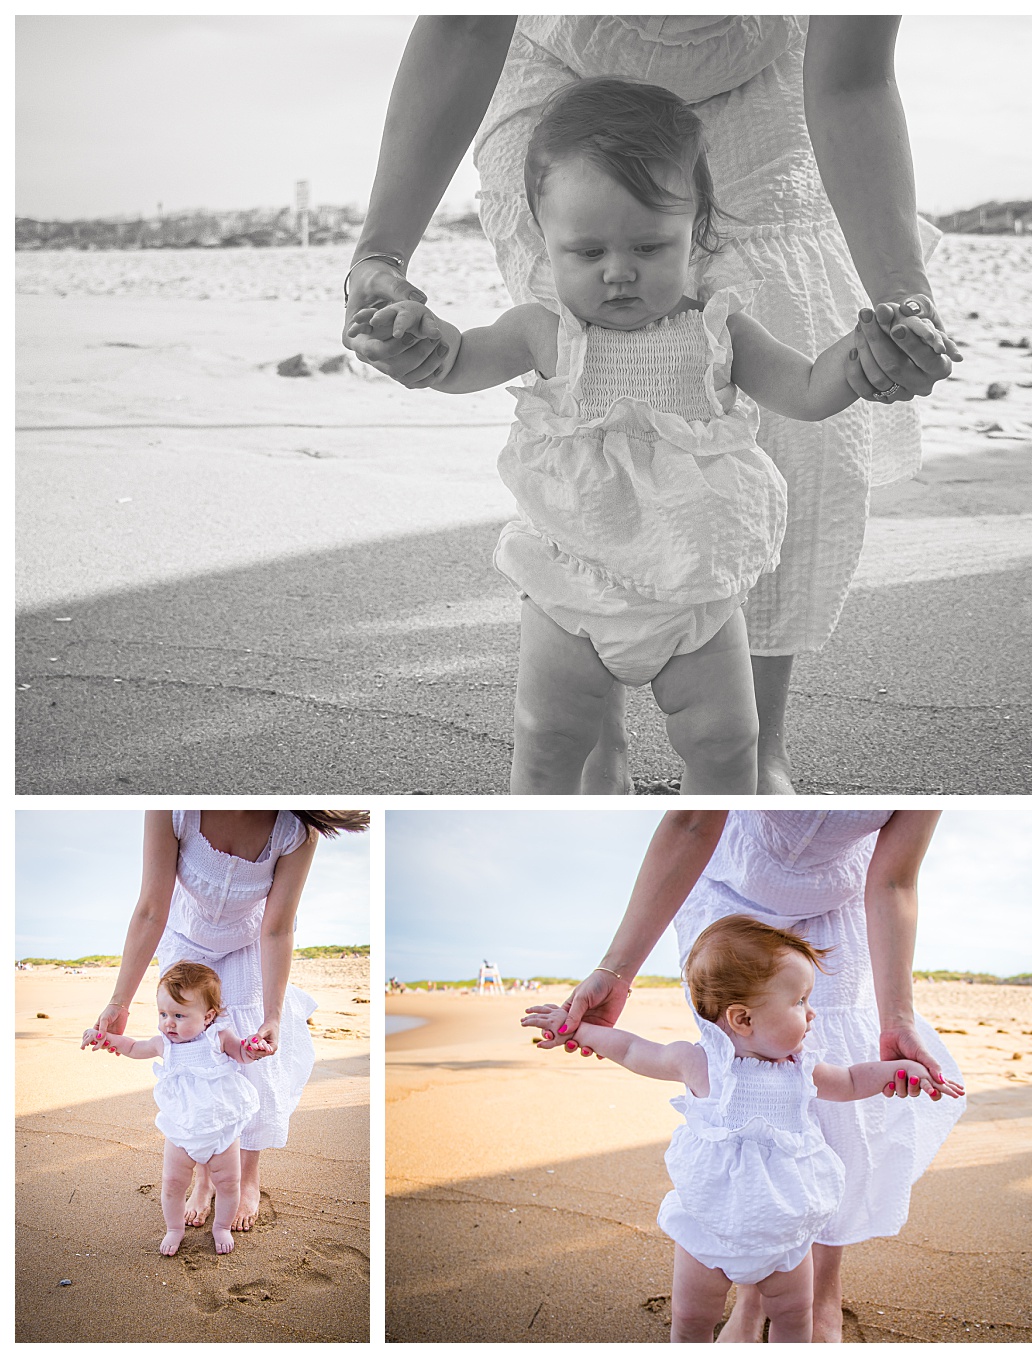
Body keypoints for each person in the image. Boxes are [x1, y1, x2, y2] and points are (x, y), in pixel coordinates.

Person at [343, 16, 959, 794]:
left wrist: (874, 347)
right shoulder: (542, 329)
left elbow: (806, 391)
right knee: (550, 743)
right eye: (588, 252)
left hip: (697, 589)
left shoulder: (720, 328)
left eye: (649, 249)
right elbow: (456, 359)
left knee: (726, 744)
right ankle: (583, 810)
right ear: (546, 239)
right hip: (575, 584)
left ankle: (741, 807)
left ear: (696, 238)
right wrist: (412, 336)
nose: (619, 274)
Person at [533, 809, 961, 1342]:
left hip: (786, 1230)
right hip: (712, 1221)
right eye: (802, 1002)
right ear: (741, 1019)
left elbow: (852, 1081)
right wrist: (575, 1028)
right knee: (691, 1318)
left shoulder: (806, 1068)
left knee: (793, 1319)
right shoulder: (701, 1063)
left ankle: (804, 1311)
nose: (814, 1013)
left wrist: (902, 1067)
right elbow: (632, 1047)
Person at [92, 810, 369, 1233]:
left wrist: (272, 1016)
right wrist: (119, 1001)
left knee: (248, 1056)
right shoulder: (174, 810)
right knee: (194, 1052)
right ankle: (204, 1176)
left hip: (250, 942)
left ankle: (247, 1175)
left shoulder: (296, 832)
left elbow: (277, 930)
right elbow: (151, 910)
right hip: (186, 939)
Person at [83, 961, 262, 1256]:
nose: (169, 1022)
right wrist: (104, 1038)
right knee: (172, 1184)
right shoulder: (163, 1044)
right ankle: (174, 1228)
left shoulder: (218, 1038)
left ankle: (221, 1227)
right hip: (181, 1131)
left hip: (220, 1130)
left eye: (179, 1015)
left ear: (208, 1016)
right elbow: (130, 1047)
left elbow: (242, 1054)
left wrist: (253, 1049)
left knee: (230, 1184)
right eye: (163, 1013)